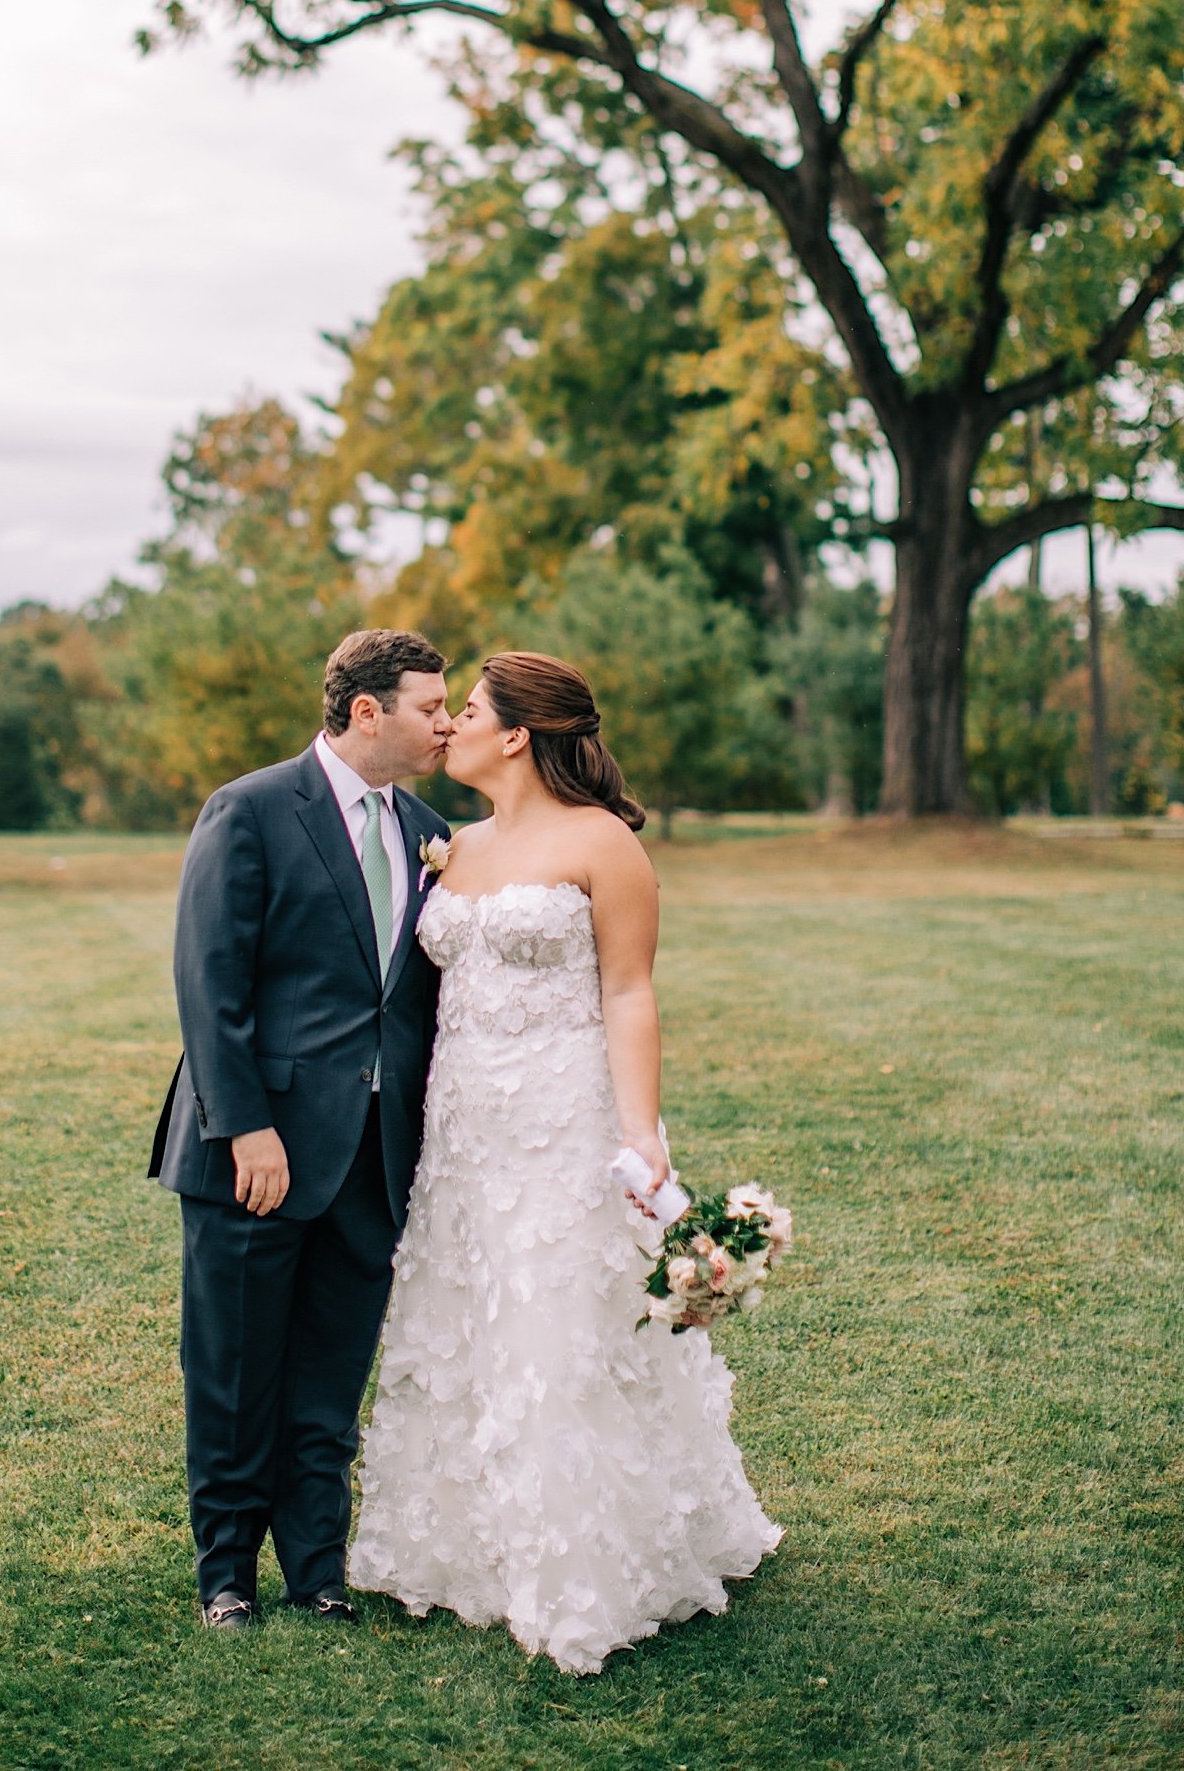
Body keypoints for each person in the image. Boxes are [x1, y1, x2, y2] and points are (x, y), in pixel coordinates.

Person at [349, 650, 781, 1674]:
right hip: (462, 1125)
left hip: (562, 1112)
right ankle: (458, 1545)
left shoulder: (605, 845)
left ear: (517, 734)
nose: (447, 722)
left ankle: (582, 1566)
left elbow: (630, 992)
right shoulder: (456, 845)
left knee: (555, 1324)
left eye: (469, 707)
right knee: (466, 1314)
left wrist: (639, 1134)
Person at [148, 627, 453, 1629]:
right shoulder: (249, 809)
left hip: (372, 1155)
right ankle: (225, 1571)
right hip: (257, 1151)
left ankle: (318, 1565)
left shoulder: (428, 829)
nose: (445, 721)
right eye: (428, 705)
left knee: (329, 1373)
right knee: (236, 1369)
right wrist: (244, 1126)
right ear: (367, 711)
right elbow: (210, 981)